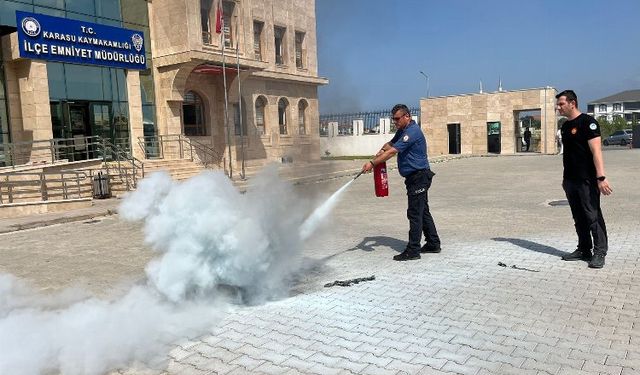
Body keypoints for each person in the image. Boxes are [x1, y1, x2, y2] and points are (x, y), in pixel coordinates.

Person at [361, 104, 441, 261]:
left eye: (397, 119)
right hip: (414, 178)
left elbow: (392, 152)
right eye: (393, 119)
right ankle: (433, 243)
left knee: (414, 213)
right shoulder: (402, 131)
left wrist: (373, 163)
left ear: (407, 116)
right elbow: (389, 145)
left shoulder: (411, 132)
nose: (394, 122)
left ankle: (413, 250)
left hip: (419, 177)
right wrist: (380, 152)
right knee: (422, 211)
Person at [556, 90, 612, 269]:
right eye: (558, 105)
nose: (558, 107)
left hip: (587, 179)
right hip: (570, 180)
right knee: (578, 216)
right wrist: (565, 180)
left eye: (561, 104)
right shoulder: (565, 126)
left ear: (572, 103)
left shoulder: (588, 123)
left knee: (592, 215)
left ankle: (600, 252)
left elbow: (596, 152)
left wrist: (601, 177)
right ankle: (584, 249)